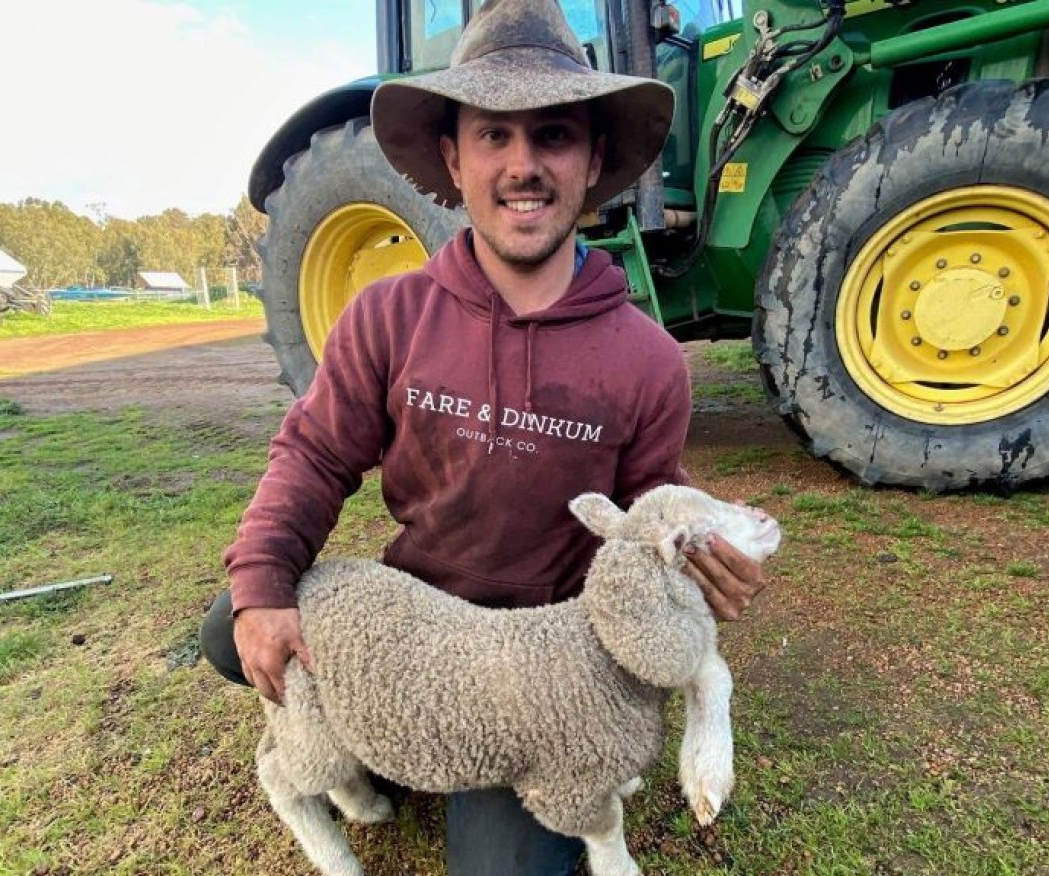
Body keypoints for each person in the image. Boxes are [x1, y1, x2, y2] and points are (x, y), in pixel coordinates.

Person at [201, 1, 766, 872]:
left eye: (553, 136)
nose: (522, 166)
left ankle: (479, 776)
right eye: (493, 136)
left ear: (595, 161)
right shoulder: (388, 314)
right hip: (418, 624)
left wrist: (700, 564)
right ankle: (375, 733)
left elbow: (649, 514)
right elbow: (313, 453)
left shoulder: (647, 360)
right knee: (230, 626)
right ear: (452, 159)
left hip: (538, 663)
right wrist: (261, 585)